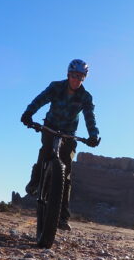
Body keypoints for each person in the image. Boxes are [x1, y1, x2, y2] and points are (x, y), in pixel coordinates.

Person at [21, 59, 101, 231]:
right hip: (50, 126)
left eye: (80, 76)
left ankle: (62, 216)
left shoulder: (85, 97)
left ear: (84, 78)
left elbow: (89, 117)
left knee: (66, 173)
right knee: (45, 152)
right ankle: (35, 181)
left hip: (68, 134)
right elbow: (40, 99)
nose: (76, 79)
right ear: (68, 74)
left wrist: (93, 135)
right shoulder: (56, 87)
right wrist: (29, 113)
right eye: (74, 75)